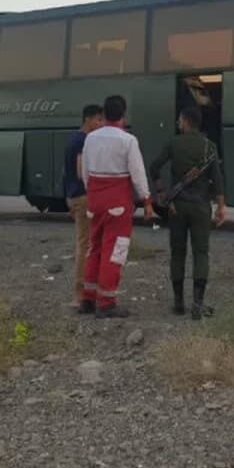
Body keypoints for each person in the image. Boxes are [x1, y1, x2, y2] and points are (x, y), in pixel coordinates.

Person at [149, 106, 227, 320]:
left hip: (177, 207)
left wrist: (163, 193)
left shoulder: (174, 143)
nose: (177, 124)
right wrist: (221, 206)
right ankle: (198, 304)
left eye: (179, 121)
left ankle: (178, 303)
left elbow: (154, 167)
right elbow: (218, 180)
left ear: (185, 121)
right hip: (201, 207)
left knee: (178, 253)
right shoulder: (209, 147)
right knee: (201, 253)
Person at [79, 95, 153, 318]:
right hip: (117, 203)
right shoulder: (128, 140)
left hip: (95, 199)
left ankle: (88, 299)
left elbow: (85, 173)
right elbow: (138, 174)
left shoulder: (90, 139)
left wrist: (93, 193)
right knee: (115, 251)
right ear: (123, 115)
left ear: (103, 114)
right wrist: (147, 200)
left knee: (95, 248)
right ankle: (107, 301)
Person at [62, 104, 105, 307]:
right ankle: (80, 295)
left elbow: (65, 173)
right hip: (83, 195)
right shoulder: (83, 140)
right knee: (86, 245)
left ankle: (85, 291)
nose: (101, 124)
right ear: (88, 119)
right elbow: (81, 172)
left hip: (73, 196)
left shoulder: (73, 138)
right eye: (98, 120)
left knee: (85, 243)